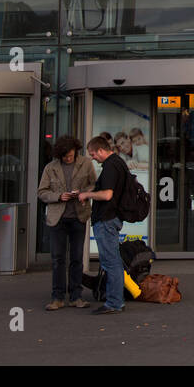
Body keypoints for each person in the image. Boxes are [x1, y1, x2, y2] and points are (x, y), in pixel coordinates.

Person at [36, 135, 96, 311]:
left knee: (77, 258)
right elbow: (42, 192)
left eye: (70, 155)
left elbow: (94, 184)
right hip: (58, 218)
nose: (68, 159)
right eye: (65, 157)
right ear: (59, 156)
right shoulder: (50, 168)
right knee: (58, 258)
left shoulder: (85, 163)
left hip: (79, 216)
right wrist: (58, 197)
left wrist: (83, 193)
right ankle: (57, 297)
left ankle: (76, 296)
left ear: (75, 151)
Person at [77, 134, 130, 315]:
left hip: (107, 219)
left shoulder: (110, 166)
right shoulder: (118, 163)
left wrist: (86, 196)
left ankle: (115, 302)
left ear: (100, 150)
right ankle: (115, 300)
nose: (92, 157)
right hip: (112, 218)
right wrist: (87, 191)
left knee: (110, 261)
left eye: (93, 153)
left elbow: (107, 194)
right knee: (112, 260)